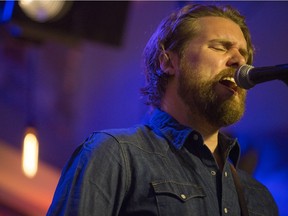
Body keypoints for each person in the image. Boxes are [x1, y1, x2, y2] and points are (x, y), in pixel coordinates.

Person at [47, 3, 278, 216]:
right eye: (220, 47)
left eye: (244, 55)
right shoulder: (115, 155)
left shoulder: (259, 199)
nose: (240, 61)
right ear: (168, 62)